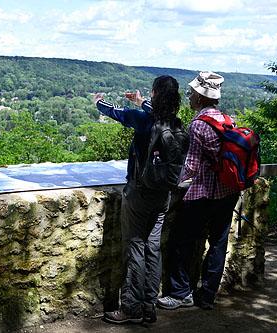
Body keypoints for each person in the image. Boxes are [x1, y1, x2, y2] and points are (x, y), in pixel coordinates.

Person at [93, 75, 181, 324]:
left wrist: (99, 102)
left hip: (139, 193)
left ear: (154, 93)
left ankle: (131, 307)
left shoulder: (143, 120)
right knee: (153, 249)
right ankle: (150, 306)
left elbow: (117, 113)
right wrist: (143, 101)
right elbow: (155, 111)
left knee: (135, 248)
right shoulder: (174, 123)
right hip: (163, 194)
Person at [157, 71, 240, 311]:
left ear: (202, 97)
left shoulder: (198, 125)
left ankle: (180, 292)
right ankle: (207, 295)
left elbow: (191, 167)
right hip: (228, 191)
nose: (189, 97)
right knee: (218, 243)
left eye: (192, 93)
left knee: (179, 242)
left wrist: (173, 183)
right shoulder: (227, 119)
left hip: (203, 195)